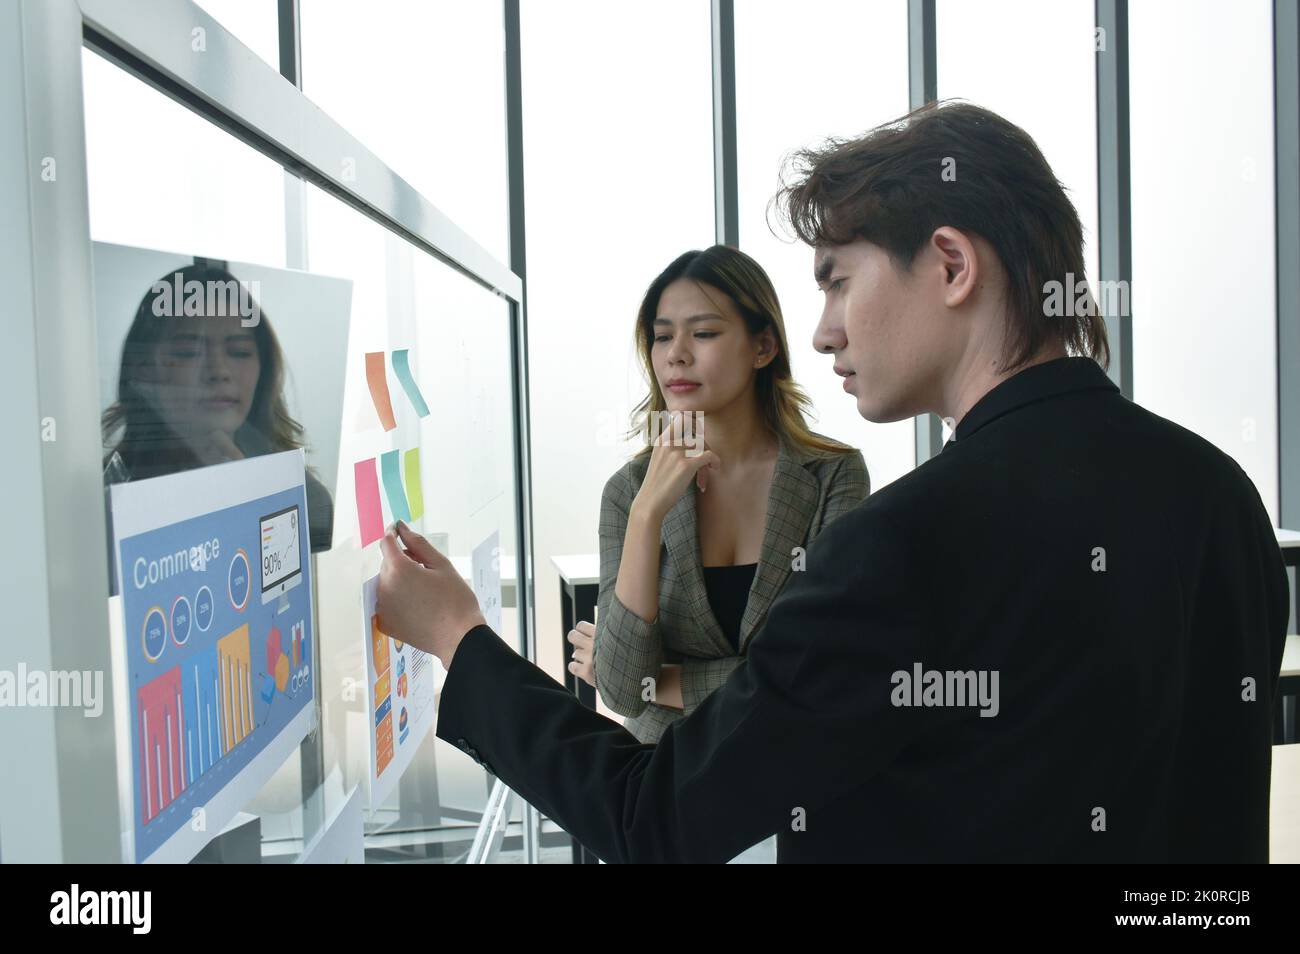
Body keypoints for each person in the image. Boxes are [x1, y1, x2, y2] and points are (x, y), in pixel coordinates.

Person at [375, 101, 1289, 862]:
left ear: (952, 265)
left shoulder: (904, 540)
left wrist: (460, 638)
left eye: (839, 282)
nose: (823, 331)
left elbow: (653, 816)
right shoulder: (1222, 495)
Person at [566, 246, 868, 755]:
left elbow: (828, 667)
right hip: (664, 774)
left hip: (799, 766)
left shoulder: (833, 475)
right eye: (663, 336)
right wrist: (646, 515)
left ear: (763, 346)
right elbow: (621, 691)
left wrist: (666, 683)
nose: (676, 354)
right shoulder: (629, 491)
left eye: (703, 333)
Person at [103, 262, 334, 552]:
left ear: (263, 369)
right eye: (188, 353)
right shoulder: (105, 501)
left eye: (239, 352)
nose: (219, 371)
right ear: (143, 370)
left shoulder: (295, 490)